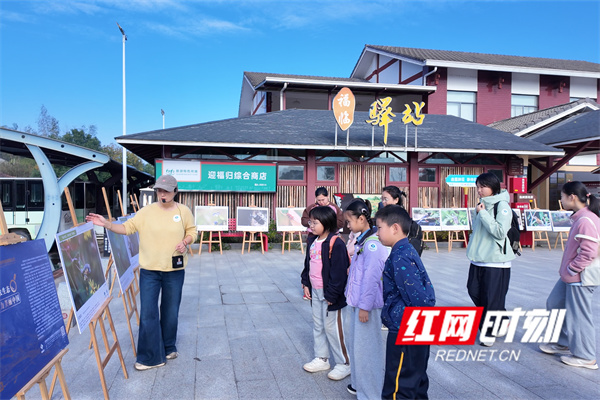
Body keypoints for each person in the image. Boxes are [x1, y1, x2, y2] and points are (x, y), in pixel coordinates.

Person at [86, 175, 197, 371]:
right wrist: (107, 224)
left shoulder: (184, 211)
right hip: (150, 271)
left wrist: (185, 241)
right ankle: (150, 357)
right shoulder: (146, 212)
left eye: (166, 191)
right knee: (148, 312)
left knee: (171, 311)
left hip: (174, 270)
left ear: (175, 191)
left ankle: (168, 346)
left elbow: (192, 231)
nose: (162, 194)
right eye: (159, 190)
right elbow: (127, 228)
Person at [375, 205, 435, 400]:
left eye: (379, 228)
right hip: (416, 326)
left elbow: (416, 296)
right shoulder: (406, 250)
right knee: (416, 382)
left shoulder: (400, 256)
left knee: (398, 387)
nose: (377, 233)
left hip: (406, 328)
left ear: (395, 228)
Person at [539, 181, 600, 370]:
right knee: (554, 303)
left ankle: (585, 356)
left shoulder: (586, 220)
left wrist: (573, 269)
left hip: (581, 277)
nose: (561, 200)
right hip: (571, 275)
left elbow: (589, 252)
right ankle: (563, 342)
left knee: (578, 315)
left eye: (562, 196)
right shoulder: (581, 218)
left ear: (572, 197)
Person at [300, 206, 351, 381]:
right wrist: (305, 283)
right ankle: (321, 358)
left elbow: (339, 272)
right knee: (318, 325)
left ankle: (344, 363)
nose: (311, 225)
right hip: (315, 291)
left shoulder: (336, 243)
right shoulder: (313, 241)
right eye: (311, 222)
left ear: (326, 223)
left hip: (331, 294)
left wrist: (332, 295)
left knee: (333, 328)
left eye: (315, 222)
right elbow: (308, 265)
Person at [343, 199, 387, 398]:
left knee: (367, 351)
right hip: (357, 302)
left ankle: (371, 393)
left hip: (365, 306)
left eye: (349, 221)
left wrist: (364, 307)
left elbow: (371, 279)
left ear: (361, 219)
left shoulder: (372, 245)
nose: (347, 226)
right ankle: (359, 385)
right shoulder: (363, 241)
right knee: (357, 348)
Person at [466, 172, 515, 346]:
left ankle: (488, 332)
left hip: (496, 261)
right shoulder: (481, 205)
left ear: (493, 187)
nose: (479, 190)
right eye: (478, 187)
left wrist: (483, 214)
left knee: (490, 299)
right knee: (473, 291)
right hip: (478, 258)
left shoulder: (502, 206)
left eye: (483, 187)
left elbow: (500, 232)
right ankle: (501, 319)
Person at [381, 185, 424, 256]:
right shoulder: (387, 214)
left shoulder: (398, 216)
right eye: (382, 199)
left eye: (386, 199)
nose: (383, 202)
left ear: (396, 200)